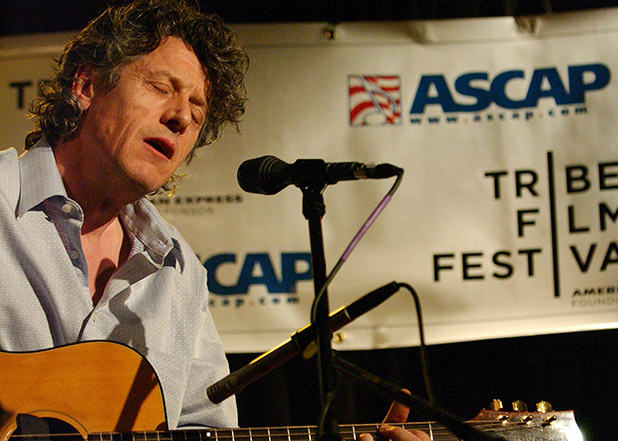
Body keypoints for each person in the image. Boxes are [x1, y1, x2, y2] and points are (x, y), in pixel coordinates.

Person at [0, 1, 431, 438]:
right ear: (87, 84)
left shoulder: (179, 272)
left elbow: (202, 427)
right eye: (160, 87)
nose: (181, 116)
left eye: (197, 109)